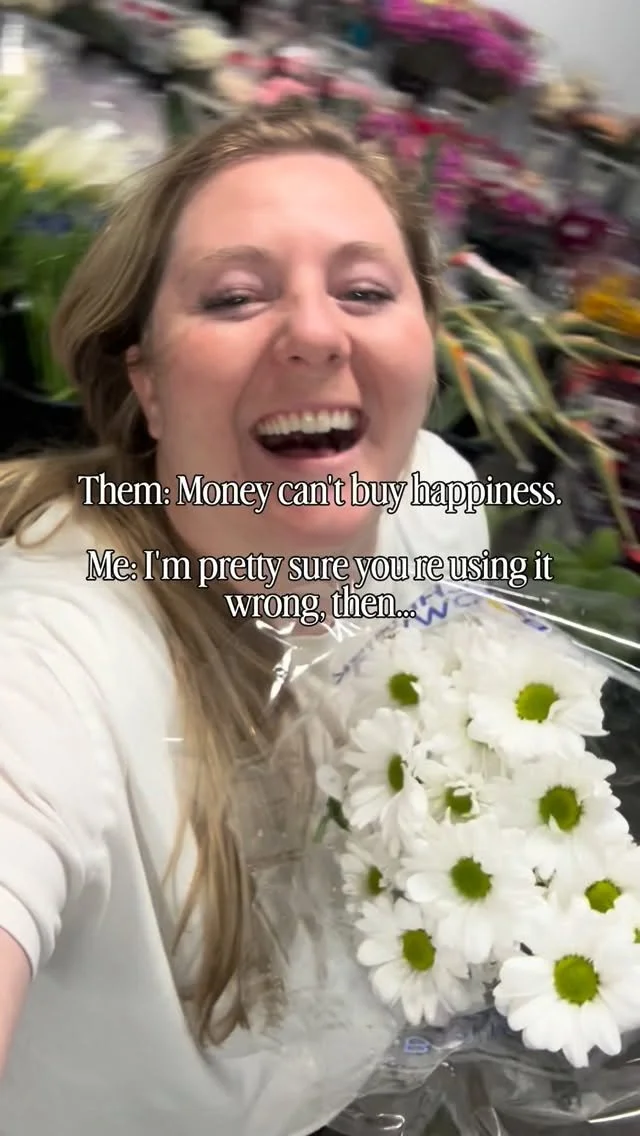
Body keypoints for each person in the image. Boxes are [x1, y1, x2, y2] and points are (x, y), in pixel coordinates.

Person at [0, 100, 488, 1135]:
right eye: (234, 297)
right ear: (148, 384)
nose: (314, 331)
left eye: (365, 290)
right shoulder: (54, 657)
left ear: (426, 344)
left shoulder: (438, 511)